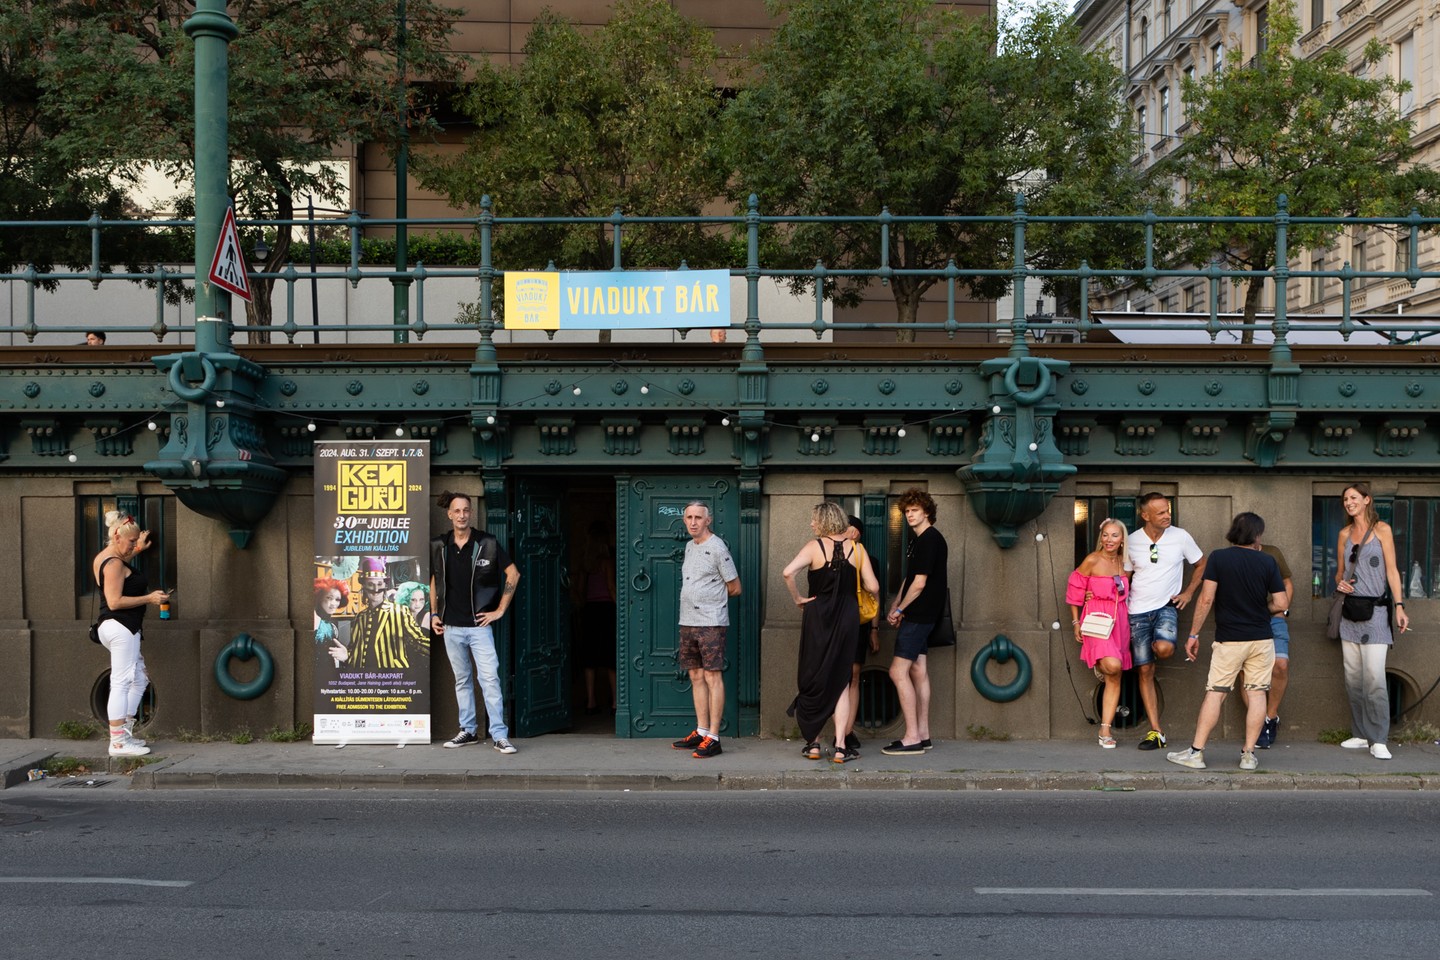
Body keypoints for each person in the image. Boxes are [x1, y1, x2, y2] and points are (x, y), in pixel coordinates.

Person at [1167, 512, 1287, 771]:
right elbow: (1281, 603)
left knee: (1216, 694)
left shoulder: (1219, 558)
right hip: (1262, 639)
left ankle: (1196, 753)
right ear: (1257, 535)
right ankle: (1248, 755)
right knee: (1256, 695)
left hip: (1230, 639)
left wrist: (1194, 634)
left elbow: (1206, 599)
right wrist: (1260, 610)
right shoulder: (1267, 562)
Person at [783, 503, 880, 763]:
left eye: (815, 520)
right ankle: (840, 747)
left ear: (824, 521)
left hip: (817, 615)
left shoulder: (814, 547)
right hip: (847, 618)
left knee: (813, 675)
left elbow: (787, 572)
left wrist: (798, 599)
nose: (812, 524)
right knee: (841, 680)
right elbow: (873, 586)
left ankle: (813, 744)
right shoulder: (858, 549)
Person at [429, 491, 521, 754]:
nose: (462, 515)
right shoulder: (439, 545)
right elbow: (434, 579)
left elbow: (513, 574)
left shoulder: (487, 543)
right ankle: (468, 730)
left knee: (489, 679)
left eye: (466, 510)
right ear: (449, 514)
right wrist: (435, 613)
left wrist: (499, 610)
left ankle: (499, 735)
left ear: (471, 512)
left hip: (480, 626)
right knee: (462, 680)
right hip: (451, 626)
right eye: (457, 511)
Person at [1334, 481, 1409, 760]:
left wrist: (1399, 606)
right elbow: (1338, 573)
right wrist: (1340, 584)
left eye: (1353, 497)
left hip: (1376, 613)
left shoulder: (1382, 530)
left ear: (1367, 500)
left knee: (1374, 678)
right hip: (1349, 613)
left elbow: (1392, 570)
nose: (1348, 502)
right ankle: (1359, 733)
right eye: (1345, 499)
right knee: (1352, 677)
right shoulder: (1343, 534)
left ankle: (1378, 738)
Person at [1126, 492, 1207, 751]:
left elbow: (1202, 564)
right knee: (1145, 670)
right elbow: (1123, 577)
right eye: (1160, 512)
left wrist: (1189, 592)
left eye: (1167, 510)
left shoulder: (1180, 537)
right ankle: (1156, 731)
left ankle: (1148, 649)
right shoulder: (1132, 541)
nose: (1166, 515)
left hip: (1166, 607)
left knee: (1164, 648)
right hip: (1136, 611)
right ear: (1145, 515)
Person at [91, 511, 168, 757]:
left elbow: (121, 567)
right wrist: (150, 598)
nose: (135, 544)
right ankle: (118, 743)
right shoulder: (113, 564)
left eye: (137, 541)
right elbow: (114, 601)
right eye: (132, 541)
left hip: (116, 627)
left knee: (139, 679)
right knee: (122, 682)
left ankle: (123, 735)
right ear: (116, 536)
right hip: (121, 626)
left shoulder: (107, 558)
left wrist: (137, 551)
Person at [671, 500, 741, 759]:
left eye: (698, 517)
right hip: (687, 621)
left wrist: (711, 602)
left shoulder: (717, 547)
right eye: (689, 517)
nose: (693, 522)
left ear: (708, 520)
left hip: (710, 622)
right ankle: (701, 730)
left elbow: (735, 587)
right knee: (696, 676)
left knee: (712, 677)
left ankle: (713, 737)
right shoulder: (690, 546)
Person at [882, 488, 948, 757]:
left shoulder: (930, 539)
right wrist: (897, 604)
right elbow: (911, 580)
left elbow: (919, 584)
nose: (909, 515)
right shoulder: (921, 540)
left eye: (915, 510)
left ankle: (911, 738)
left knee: (897, 672)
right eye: (906, 511)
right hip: (921, 613)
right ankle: (923, 734)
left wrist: (899, 609)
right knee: (918, 671)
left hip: (920, 615)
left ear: (927, 512)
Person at [1066, 518, 1134, 748]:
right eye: (1105, 535)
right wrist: (1076, 621)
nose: (1109, 540)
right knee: (1113, 666)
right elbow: (1075, 588)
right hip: (1096, 619)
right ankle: (1100, 664)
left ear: (1122, 539)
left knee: (1115, 676)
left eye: (1114, 535)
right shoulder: (1092, 560)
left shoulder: (1126, 564)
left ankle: (1105, 729)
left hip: (1119, 621)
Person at [333, 557, 430, 670]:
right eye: (370, 584)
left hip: (393, 678)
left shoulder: (400, 612)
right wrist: (346, 656)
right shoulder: (360, 617)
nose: (375, 589)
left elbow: (417, 641)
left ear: (385, 585)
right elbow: (355, 651)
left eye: (379, 584)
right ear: (364, 586)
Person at [842, 514, 881, 752]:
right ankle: (838, 732)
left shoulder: (869, 560)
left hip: (859, 622)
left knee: (854, 676)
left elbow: (874, 596)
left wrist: (875, 630)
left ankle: (848, 732)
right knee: (839, 679)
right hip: (836, 623)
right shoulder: (828, 554)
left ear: (855, 532)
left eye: (844, 528)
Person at [573, 519, 617, 715]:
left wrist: (583, 605)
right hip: (606, 609)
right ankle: (616, 701)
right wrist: (621, 608)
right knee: (610, 656)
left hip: (590, 610)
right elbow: (610, 586)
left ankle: (591, 701)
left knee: (589, 657)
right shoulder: (605, 562)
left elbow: (580, 590)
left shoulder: (585, 563)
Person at [1255, 542, 1295, 748]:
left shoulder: (1272, 552)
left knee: (1280, 663)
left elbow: (1287, 582)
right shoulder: (1231, 556)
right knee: (1246, 670)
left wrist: (1282, 609)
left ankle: (1270, 718)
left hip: (1273, 617)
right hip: (1247, 620)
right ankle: (1259, 721)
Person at [313, 576, 352, 671]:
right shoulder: (315, 620)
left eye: (337, 599)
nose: (334, 603)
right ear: (320, 597)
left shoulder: (332, 627)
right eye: (329, 598)